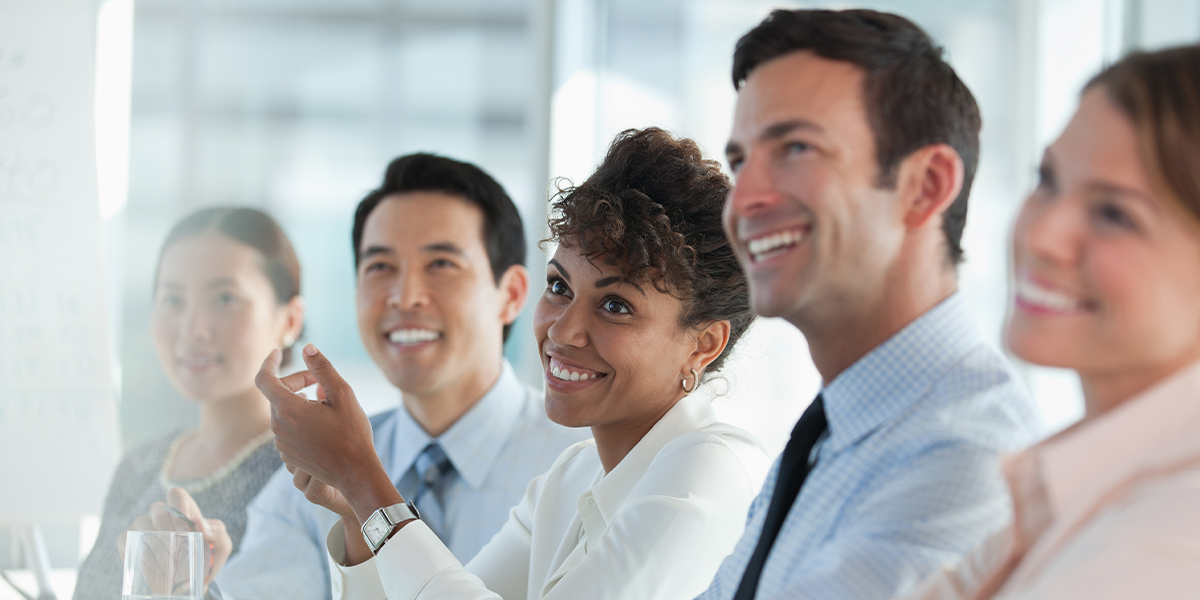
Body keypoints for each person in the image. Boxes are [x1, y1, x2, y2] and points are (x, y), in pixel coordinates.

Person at [258, 127, 773, 600]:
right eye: (560, 287)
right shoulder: (571, 477)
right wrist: (356, 513)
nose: (562, 331)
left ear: (703, 345)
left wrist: (362, 478)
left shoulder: (710, 472)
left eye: (616, 306)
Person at [696, 9, 1044, 600]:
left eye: (796, 147)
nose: (743, 198)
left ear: (925, 186)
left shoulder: (966, 459)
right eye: (740, 161)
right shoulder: (834, 434)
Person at [207, 153, 588, 599]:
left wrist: (359, 485)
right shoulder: (310, 480)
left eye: (441, 264)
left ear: (512, 294)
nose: (405, 297)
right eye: (380, 267)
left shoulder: (581, 466)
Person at [902, 44, 1200, 600]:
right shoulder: (1083, 481)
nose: (1040, 236)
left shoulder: (1169, 539)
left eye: (1114, 214)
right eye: (1048, 180)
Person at [75, 208, 303, 600]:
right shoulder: (140, 464)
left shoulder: (307, 477)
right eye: (172, 300)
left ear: (290, 320)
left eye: (225, 298)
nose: (192, 329)